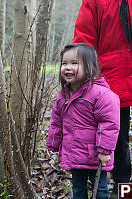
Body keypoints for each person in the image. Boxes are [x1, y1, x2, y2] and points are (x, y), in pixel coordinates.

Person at [73, 0, 132, 198]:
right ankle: (122, 192)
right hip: (112, 81)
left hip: (116, 78)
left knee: (120, 140)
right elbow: (84, 41)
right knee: (118, 139)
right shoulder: (95, 2)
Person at [47, 43, 120, 199]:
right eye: (64, 63)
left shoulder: (101, 94)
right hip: (74, 154)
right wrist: (53, 143)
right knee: (78, 188)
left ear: (89, 67)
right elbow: (57, 122)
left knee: (99, 190)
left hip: (97, 155)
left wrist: (104, 150)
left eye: (74, 63)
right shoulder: (63, 96)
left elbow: (109, 124)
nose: (67, 67)